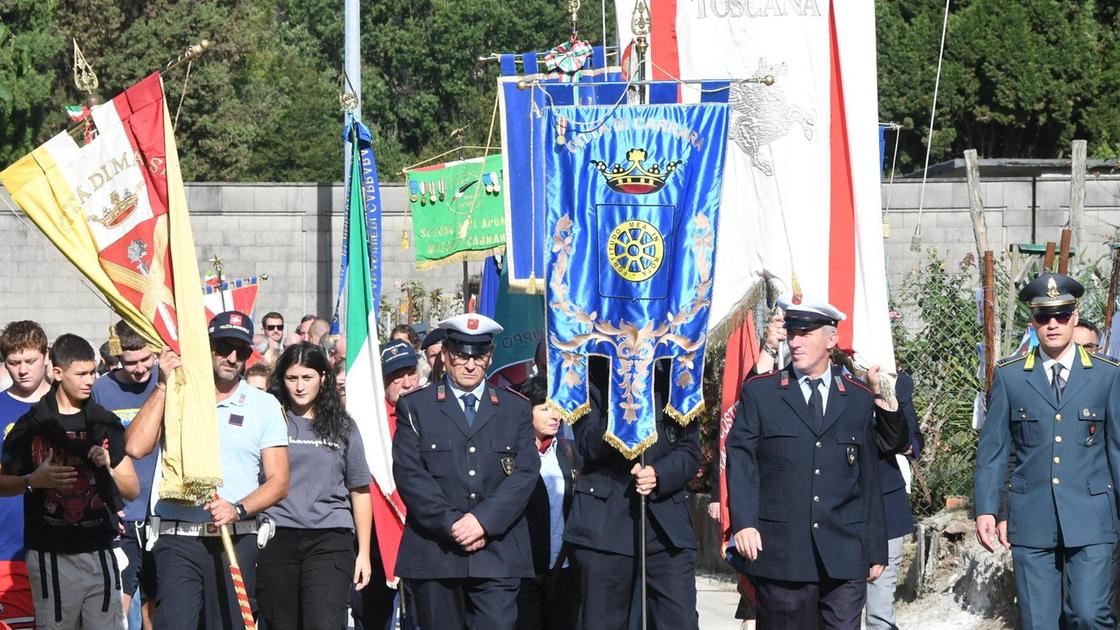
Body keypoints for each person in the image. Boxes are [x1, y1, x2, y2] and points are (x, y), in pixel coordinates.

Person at [726, 298, 900, 630]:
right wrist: (744, 522)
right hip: (783, 553)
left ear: (831, 340)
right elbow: (741, 459)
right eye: (792, 333)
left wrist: (876, 546)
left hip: (844, 552)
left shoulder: (858, 397)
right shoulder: (762, 393)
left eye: (805, 333)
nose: (795, 342)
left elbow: (868, 478)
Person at [124, 311, 290, 630]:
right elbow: (135, 447)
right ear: (207, 346)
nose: (231, 357)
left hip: (234, 537)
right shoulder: (176, 393)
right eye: (223, 347)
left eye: (241, 351)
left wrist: (238, 509)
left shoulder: (263, 405)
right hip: (178, 537)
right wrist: (162, 385)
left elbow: (280, 481)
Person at [975, 273, 1120, 629]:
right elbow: (994, 450)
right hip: (1032, 519)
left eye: (1061, 314)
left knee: (1089, 614)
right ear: (1033, 322)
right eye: (1043, 316)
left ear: (1074, 316)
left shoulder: (1106, 376)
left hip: (1092, 518)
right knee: (1039, 621)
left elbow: (1116, 448)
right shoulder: (1010, 377)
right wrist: (987, 508)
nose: (1052, 324)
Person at [392, 314, 539, 630]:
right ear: (445, 355)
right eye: (461, 354)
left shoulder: (515, 408)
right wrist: (452, 523)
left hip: (497, 552)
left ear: (489, 356)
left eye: (479, 355)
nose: (470, 364)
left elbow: (525, 473)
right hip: (435, 553)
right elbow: (409, 475)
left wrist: (482, 520)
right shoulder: (416, 407)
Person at [0, 333, 140, 629]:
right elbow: (2, 482)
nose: (90, 380)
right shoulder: (31, 425)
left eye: (92, 372)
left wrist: (108, 469)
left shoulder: (105, 422)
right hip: (51, 552)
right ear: (58, 373)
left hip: (99, 548)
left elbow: (132, 488)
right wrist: (33, 480)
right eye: (82, 374)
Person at [565, 357, 700, 630]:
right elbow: (587, 446)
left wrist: (660, 474)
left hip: (665, 528)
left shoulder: (676, 379)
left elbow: (689, 451)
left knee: (679, 620)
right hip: (606, 523)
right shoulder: (589, 377)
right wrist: (622, 398)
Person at [256, 343, 372, 629]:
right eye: (292, 378)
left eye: (307, 377)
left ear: (323, 377)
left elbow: (359, 490)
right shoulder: (268, 421)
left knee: (324, 622)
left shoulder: (344, 426)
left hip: (329, 539)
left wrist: (365, 554)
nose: (299, 386)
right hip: (276, 537)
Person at [91, 321, 170, 630]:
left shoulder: (165, 383)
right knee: (118, 606)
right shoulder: (101, 389)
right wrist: (108, 500)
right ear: (117, 358)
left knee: (154, 603)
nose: (139, 369)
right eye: (130, 362)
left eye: (145, 360)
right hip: (121, 515)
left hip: (160, 512)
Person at [352, 338, 423, 630]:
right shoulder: (367, 422)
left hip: (423, 530)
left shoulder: (436, 410)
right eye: (395, 377)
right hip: (379, 532)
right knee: (372, 616)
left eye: (411, 373)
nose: (406, 383)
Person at [512, 376, 580, 630]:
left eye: (556, 407)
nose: (554, 415)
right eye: (544, 408)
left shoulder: (566, 452)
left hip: (562, 569)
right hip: (525, 571)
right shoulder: (512, 455)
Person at [0, 321, 53, 630]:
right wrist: (32, 481)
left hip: (68, 547)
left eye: (30, 361)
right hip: (9, 547)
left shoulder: (72, 403)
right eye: (14, 362)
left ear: (46, 356)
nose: (22, 370)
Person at [864, 370, 923, 630]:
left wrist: (886, 394)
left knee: (879, 611)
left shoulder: (897, 381)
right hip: (834, 509)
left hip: (885, 505)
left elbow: (910, 439)